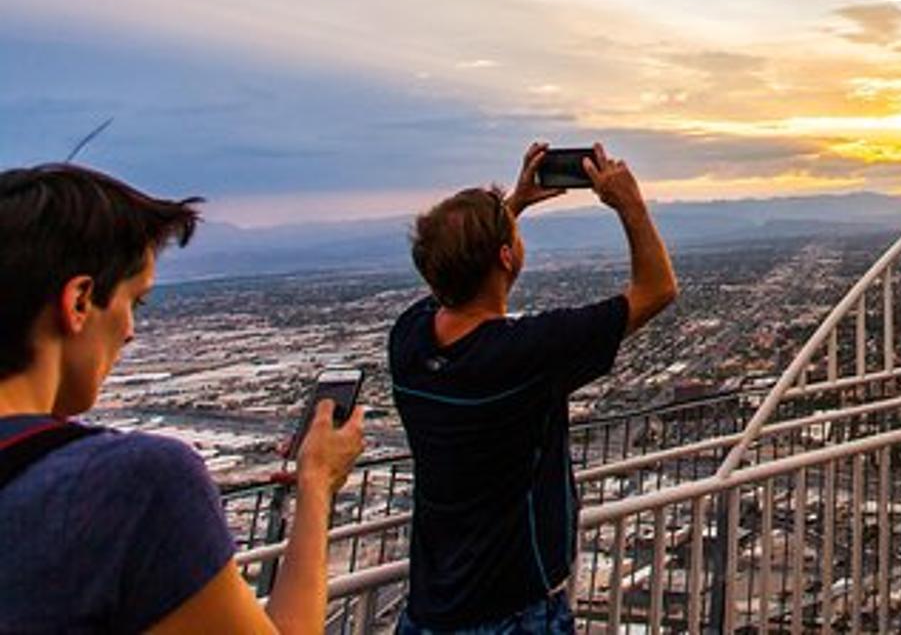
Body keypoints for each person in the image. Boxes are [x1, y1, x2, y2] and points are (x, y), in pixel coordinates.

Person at [0, 162, 365, 634]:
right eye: (135, 301)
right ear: (79, 301)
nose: (131, 332)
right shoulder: (133, 485)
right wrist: (316, 483)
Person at [390, 142, 678, 635]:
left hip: (428, 612)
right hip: (514, 612)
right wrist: (629, 203)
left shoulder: (410, 341)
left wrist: (512, 207)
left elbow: (458, 277)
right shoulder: (524, 354)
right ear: (506, 255)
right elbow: (657, 289)